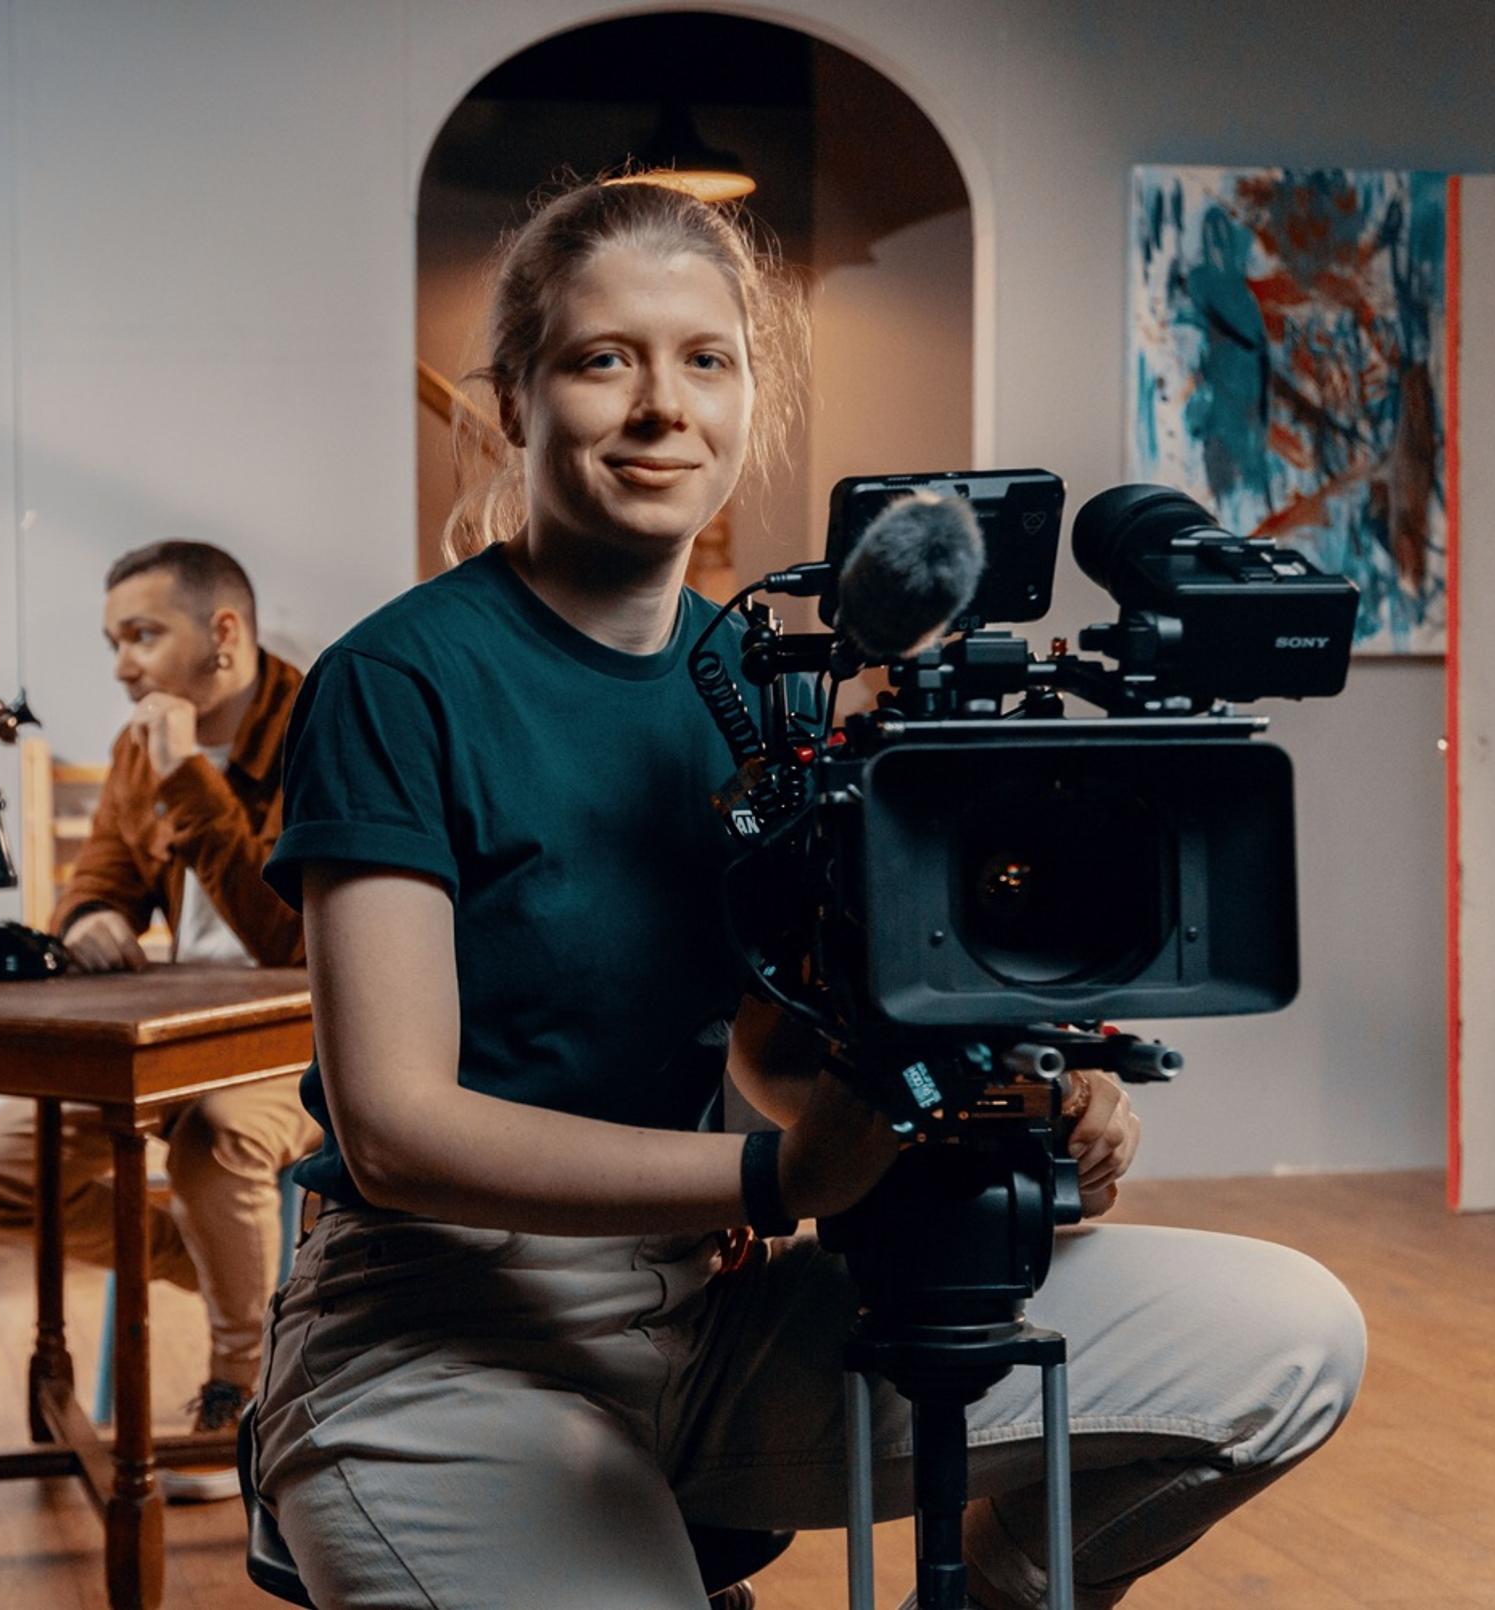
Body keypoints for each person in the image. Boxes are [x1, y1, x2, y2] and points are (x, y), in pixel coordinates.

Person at [252, 179, 1365, 1609]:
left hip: (701, 1319)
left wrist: (1012, 1110)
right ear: (511, 397)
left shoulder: (753, 682)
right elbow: (396, 1129)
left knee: (1289, 1338)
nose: (662, 405)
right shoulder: (397, 680)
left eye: (703, 359)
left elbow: (777, 1041)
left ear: (745, 399)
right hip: (434, 1343)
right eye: (604, 359)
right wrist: (778, 1176)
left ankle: (999, 1588)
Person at [0, 541, 320, 1496]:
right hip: (178, 1028)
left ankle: (238, 1391)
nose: (120, 664)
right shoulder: (133, 748)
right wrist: (93, 916)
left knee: (220, 1137)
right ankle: (262, 1292)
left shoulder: (332, 726)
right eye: (115, 640)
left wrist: (192, 780)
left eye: (141, 635)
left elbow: (295, 943)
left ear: (222, 634)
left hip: (307, 1032)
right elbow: (99, 877)